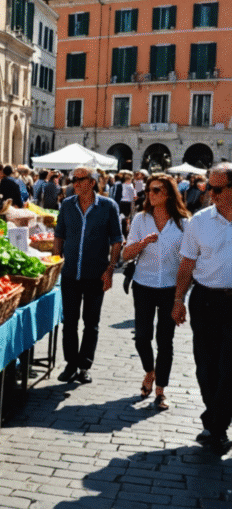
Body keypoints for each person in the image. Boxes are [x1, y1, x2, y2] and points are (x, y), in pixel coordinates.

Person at [172, 162, 232, 454]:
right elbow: (187, 263)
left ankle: (216, 425)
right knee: (206, 366)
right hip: (206, 300)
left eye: (218, 188)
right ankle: (217, 419)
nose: (211, 193)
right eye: (210, 187)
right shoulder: (200, 221)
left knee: (229, 367)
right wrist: (178, 299)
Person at [123, 174, 190, 410]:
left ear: (169, 193)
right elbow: (125, 255)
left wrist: (180, 298)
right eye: (149, 190)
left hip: (170, 288)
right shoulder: (141, 219)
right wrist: (142, 244)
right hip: (143, 285)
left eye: (157, 190)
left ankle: (161, 390)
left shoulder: (184, 223)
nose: (150, 194)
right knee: (142, 336)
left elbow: (188, 262)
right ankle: (149, 372)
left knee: (166, 340)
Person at [53, 165, 124, 385]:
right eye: (73, 179)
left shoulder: (107, 206)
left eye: (80, 179)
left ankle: (84, 366)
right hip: (71, 272)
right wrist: (56, 263)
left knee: (91, 322)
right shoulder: (66, 205)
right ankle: (71, 364)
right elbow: (59, 237)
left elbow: (116, 241)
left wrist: (110, 270)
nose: (75, 183)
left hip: (96, 273)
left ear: (92, 182)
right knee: (70, 322)